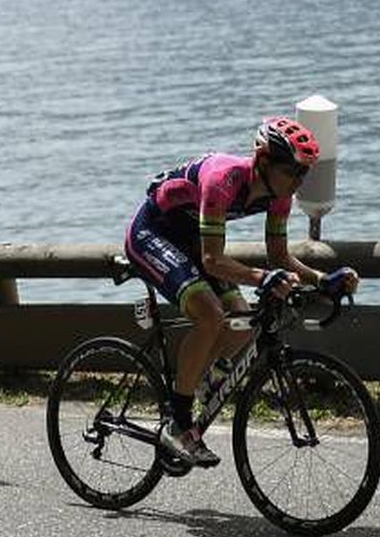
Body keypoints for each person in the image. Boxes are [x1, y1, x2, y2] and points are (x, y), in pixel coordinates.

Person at [124, 116, 359, 468]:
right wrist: (263, 278)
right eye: (293, 172)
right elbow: (213, 259)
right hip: (152, 233)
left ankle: (203, 381)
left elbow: (280, 256)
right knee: (210, 315)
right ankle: (178, 422)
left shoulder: (280, 196)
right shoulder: (222, 181)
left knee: (243, 320)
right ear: (264, 162)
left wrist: (321, 280)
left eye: (304, 174)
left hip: (190, 239)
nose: (298, 182)